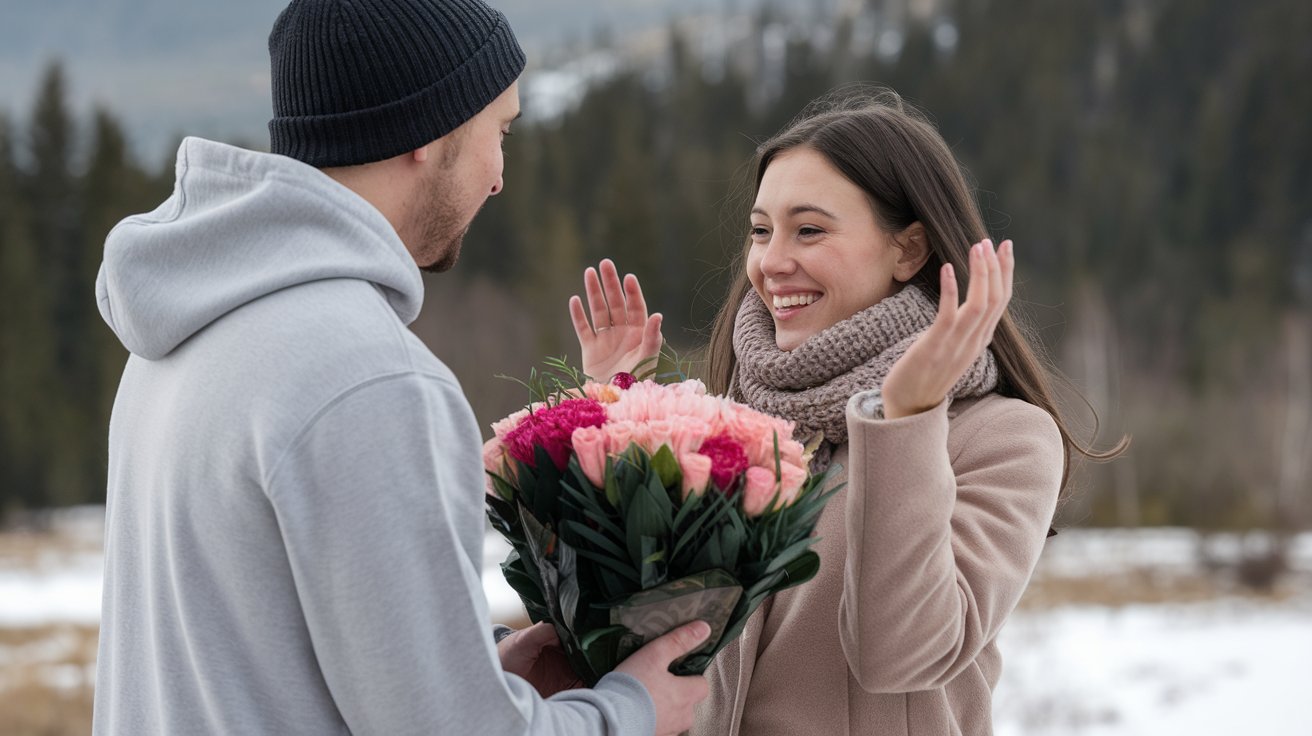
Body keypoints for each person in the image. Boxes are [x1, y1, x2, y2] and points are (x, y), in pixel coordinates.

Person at [92, 1, 710, 734]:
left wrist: (469, 665)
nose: (499, 177)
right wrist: (629, 710)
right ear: (429, 130)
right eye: (499, 132)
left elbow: (246, 654)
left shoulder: (184, 332)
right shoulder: (367, 377)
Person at [570, 90, 1119, 735]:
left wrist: (905, 421)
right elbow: (636, 642)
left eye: (809, 229)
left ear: (908, 250)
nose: (771, 263)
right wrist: (621, 418)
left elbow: (904, 654)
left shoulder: (1004, 439)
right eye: (760, 230)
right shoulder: (735, 425)